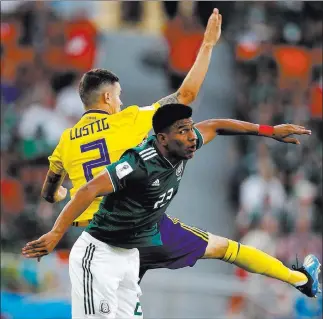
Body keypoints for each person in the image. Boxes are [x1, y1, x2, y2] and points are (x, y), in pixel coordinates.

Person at [23, 104, 321, 318]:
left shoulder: (183, 145)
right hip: (111, 247)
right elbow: (88, 190)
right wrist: (54, 234)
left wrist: (269, 131)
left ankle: (302, 281)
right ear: (162, 138)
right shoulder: (138, 163)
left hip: (152, 233)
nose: (193, 136)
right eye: (183, 131)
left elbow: (216, 125)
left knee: (225, 248)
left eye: (191, 128)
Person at [39, 8, 222, 228]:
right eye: (118, 96)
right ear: (107, 97)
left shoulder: (68, 139)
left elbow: (49, 190)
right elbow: (186, 95)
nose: (121, 102)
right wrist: (208, 44)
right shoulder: (129, 120)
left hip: (85, 231)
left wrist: (57, 194)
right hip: (123, 226)